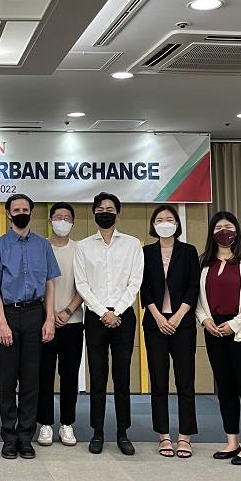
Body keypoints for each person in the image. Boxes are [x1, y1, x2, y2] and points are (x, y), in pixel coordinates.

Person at [0, 194, 58, 460]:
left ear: (31, 212)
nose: (21, 212)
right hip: (8, 315)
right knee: (7, 379)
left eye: (26, 208)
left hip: (36, 313)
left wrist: (49, 318)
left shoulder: (43, 245)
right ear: (9, 214)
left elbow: (50, 283)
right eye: (17, 209)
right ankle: (9, 437)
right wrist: (1, 322)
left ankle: (26, 437)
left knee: (31, 379)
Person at [196, 211, 241, 466]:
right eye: (218, 227)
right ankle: (232, 441)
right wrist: (205, 320)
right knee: (225, 389)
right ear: (212, 233)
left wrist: (235, 325)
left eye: (228, 226)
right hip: (214, 332)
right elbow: (198, 298)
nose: (223, 231)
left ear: (236, 231)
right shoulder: (205, 262)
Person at [74, 192, 143, 456]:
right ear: (94, 213)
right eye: (101, 209)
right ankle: (98, 432)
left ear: (118, 214)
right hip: (95, 317)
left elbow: (135, 282)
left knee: (122, 377)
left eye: (110, 209)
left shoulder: (132, 244)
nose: (105, 212)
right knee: (98, 377)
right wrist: (104, 312)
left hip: (124, 317)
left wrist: (117, 311)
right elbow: (82, 284)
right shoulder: (83, 246)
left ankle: (123, 433)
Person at [140, 205, 199, 458]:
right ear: (153, 225)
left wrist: (177, 316)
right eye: (160, 219)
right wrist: (157, 316)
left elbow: (193, 287)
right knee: (159, 381)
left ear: (177, 224)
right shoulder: (146, 252)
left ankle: (185, 436)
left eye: (169, 219)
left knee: (185, 380)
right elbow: (143, 287)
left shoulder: (189, 251)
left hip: (182, 323)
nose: (165, 223)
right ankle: (163, 435)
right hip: (155, 324)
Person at [36, 202, 84, 449]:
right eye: (58, 217)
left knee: (69, 375)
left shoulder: (80, 249)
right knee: (44, 375)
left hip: (73, 322)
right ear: (50, 221)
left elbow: (85, 285)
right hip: (45, 323)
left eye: (67, 218)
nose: (62, 221)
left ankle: (67, 423)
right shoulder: (39, 247)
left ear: (73, 223)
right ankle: (45, 423)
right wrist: (49, 314)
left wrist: (67, 311)